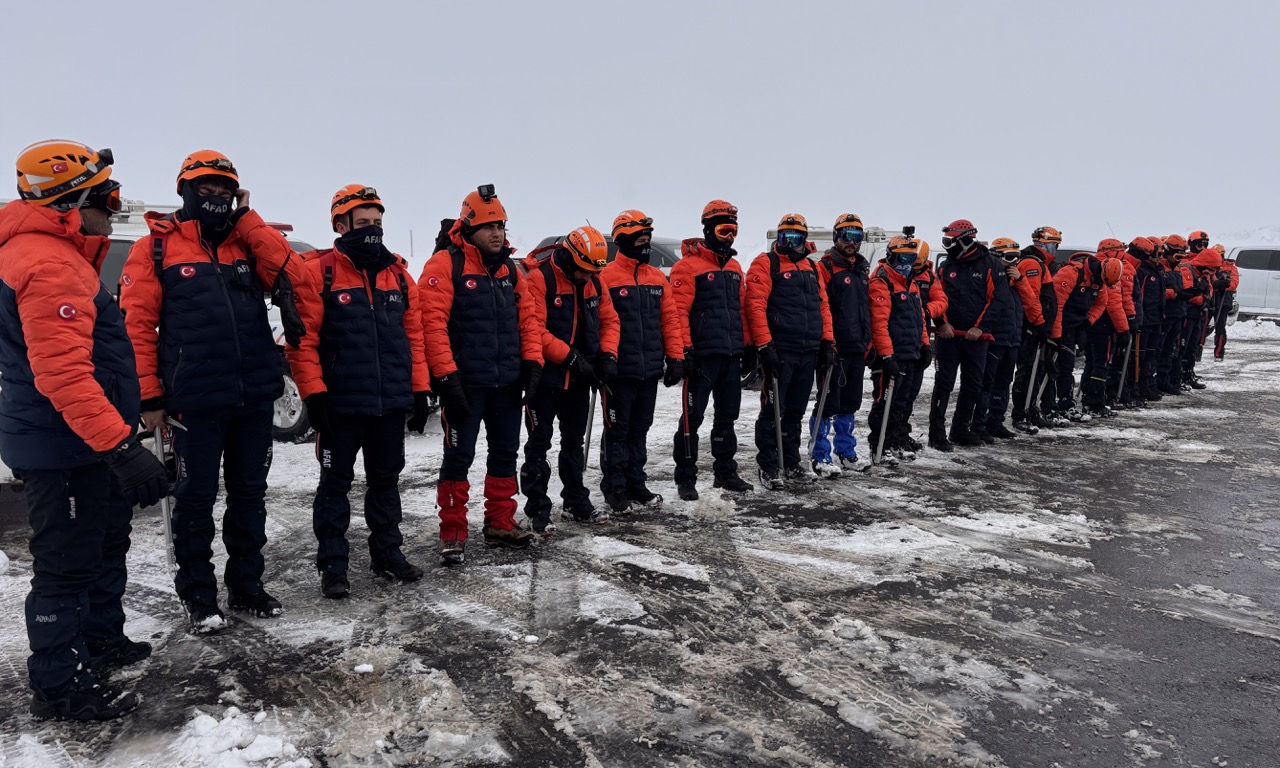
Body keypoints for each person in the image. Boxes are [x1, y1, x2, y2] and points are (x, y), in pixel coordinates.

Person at [0, 140, 167, 721]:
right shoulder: (48, 265)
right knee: (67, 561)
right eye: (108, 198)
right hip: (63, 443)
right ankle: (60, 684)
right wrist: (120, 447)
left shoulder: (56, 255)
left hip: (83, 438)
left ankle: (100, 639)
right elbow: (64, 373)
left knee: (104, 541)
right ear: (70, 200)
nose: (115, 208)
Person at [119, 151, 306, 631]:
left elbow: (296, 277)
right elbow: (136, 327)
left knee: (250, 496)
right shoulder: (155, 248)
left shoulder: (246, 243)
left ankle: (247, 585)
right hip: (193, 402)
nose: (216, 197)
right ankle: (199, 596)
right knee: (195, 500)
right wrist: (149, 398)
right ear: (184, 190)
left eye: (226, 190)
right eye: (206, 189)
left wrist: (248, 220)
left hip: (252, 396)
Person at [287, 186, 431, 599]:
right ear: (340, 225)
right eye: (363, 222)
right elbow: (303, 341)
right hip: (341, 406)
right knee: (334, 486)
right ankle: (333, 566)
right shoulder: (318, 272)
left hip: (388, 405)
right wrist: (314, 395)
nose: (372, 230)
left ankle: (387, 554)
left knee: (386, 481)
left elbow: (414, 337)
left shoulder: (398, 275)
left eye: (377, 223)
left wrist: (420, 390)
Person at [418, 185, 542, 565]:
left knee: (505, 454)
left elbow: (528, 320)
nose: (497, 233)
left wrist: (533, 363)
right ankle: (453, 531)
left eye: (501, 226)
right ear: (469, 229)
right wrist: (446, 377)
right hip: (466, 386)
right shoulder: (445, 265)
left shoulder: (510, 270)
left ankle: (501, 522)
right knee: (458, 458)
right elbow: (431, 324)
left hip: (507, 384)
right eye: (489, 226)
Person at [520, 226, 620, 527]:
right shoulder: (540, 279)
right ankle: (537, 508)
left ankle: (576, 501)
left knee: (574, 442)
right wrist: (570, 357)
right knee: (539, 444)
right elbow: (534, 329)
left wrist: (608, 355)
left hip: (580, 378)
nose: (588, 277)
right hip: (546, 378)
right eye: (584, 270)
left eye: (593, 271)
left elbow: (610, 321)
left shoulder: (595, 282)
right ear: (569, 257)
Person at [597, 210, 684, 514]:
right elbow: (599, 323)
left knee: (640, 429)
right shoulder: (606, 277)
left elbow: (670, 320)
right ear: (623, 241)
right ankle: (615, 487)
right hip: (618, 372)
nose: (645, 244)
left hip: (649, 370)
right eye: (640, 239)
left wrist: (676, 357)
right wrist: (603, 359)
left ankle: (636, 483)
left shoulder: (657, 278)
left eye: (648, 238)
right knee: (617, 431)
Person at [669, 200, 755, 500]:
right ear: (707, 230)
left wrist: (748, 345)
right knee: (692, 418)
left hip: (730, 355)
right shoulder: (686, 267)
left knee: (727, 416)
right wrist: (685, 351)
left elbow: (742, 310)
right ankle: (686, 477)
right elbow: (677, 312)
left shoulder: (734, 267)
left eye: (733, 230)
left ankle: (725, 473)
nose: (729, 237)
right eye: (723, 230)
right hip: (702, 357)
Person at [744, 214, 835, 489]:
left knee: (795, 410)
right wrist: (764, 345)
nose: (791, 243)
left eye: (796, 238)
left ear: (805, 240)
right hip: (781, 349)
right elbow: (755, 306)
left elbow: (823, 306)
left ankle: (792, 461)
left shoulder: (812, 266)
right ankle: (769, 464)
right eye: (786, 237)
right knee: (773, 410)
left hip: (808, 349)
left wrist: (828, 342)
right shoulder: (766, 263)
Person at [810, 213, 871, 476]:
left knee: (850, 402)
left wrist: (869, 341)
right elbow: (821, 307)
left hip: (857, 346)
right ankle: (819, 455)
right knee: (828, 402)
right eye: (847, 236)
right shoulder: (826, 268)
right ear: (837, 237)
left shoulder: (861, 270)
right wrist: (827, 342)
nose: (852, 242)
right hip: (834, 347)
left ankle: (846, 452)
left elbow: (867, 309)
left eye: (857, 236)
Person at [928, 219, 996, 450]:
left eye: (949, 242)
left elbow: (997, 300)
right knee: (943, 384)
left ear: (965, 241)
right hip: (949, 337)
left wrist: (980, 327)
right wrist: (942, 323)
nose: (946, 246)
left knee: (973, 384)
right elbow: (937, 298)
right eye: (944, 241)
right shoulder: (946, 266)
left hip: (976, 339)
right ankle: (936, 434)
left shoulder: (990, 265)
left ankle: (960, 430)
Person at [866, 236, 929, 460]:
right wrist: (886, 355)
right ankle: (879, 445)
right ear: (891, 257)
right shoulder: (882, 282)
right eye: (902, 258)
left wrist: (925, 345)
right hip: (892, 355)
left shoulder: (911, 284)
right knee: (885, 402)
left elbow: (920, 319)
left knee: (902, 402)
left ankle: (896, 440)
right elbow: (879, 323)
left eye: (911, 259)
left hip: (910, 352)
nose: (906, 264)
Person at [971, 238, 1026, 441]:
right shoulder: (991, 278)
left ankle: (995, 421)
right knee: (986, 383)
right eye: (1010, 257)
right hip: (994, 339)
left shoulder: (1015, 282)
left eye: (1017, 258)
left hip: (1012, 339)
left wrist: (1020, 280)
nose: (1014, 263)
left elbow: (1030, 302)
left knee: (1004, 383)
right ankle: (978, 423)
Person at [1009, 228, 1061, 433]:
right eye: (1055, 245)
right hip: (1030, 327)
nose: (1056, 250)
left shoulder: (1039, 263)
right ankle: (1020, 414)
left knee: (1036, 370)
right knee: (1027, 370)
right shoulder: (1033, 263)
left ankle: (1030, 410)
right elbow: (1031, 297)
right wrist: (1038, 324)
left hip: (1036, 326)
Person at [904, 240, 946, 452]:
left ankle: (902, 432)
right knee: (897, 393)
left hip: (919, 336)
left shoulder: (930, 277)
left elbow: (941, 301)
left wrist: (926, 310)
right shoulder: (897, 274)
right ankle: (891, 434)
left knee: (911, 391)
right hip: (900, 337)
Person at [1078, 242, 1129, 418]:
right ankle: (1096, 402)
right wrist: (1124, 330)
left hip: (1090, 324)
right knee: (1101, 364)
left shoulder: (1095, 270)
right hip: (1103, 326)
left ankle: (1087, 398)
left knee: (1091, 362)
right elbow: (1113, 304)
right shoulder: (1109, 272)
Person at [1156, 235, 1192, 395]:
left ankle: (1165, 380)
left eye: (1183, 256)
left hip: (1178, 313)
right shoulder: (1160, 267)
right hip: (1164, 314)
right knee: (1159, 347)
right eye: (1178, 256)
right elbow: (1156, 292)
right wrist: (1175, 294)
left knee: (1170, 348)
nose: (1180, 259)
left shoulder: (1177, 269)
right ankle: (1155, 380)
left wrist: (1187, 294)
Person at [1179, 230, 1214, 388]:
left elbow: (1209, 284)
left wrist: (1208, 296)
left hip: (1200, 310)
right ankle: (1179, 374)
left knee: (1194, 343)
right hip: (1188, 310)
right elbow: (1186, 291)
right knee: (1183, 344)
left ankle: (1188, 372)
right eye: (1199, 245)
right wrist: (1201, 298)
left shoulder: (1206, 263)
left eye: (1205, 245)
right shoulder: (1186, 263)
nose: (1202, 248)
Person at [1210, 244, 1238, 360]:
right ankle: (1196, 351)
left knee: (1220, 327)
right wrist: (1215, 285)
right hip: (1210, 299)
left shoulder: (1230, 267)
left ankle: (1219, 353)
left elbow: (1234, 284)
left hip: (1223, 300)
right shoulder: (1209, 266)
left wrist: (1223, 285)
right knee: (1201, 326)